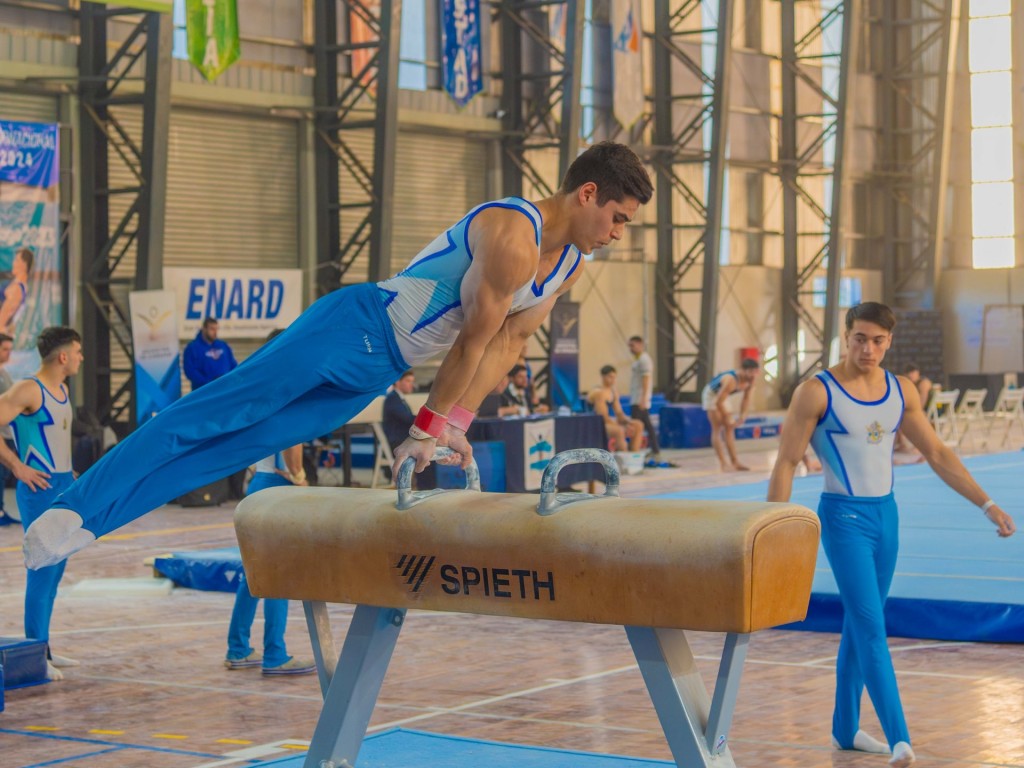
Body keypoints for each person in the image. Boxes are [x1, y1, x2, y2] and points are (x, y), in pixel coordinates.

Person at [24, 141, 653, 568]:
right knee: (207, 416)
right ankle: (72, 506)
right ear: (587, 194)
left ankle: (89, 526)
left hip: (375, 373)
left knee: (236, 448)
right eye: (619, 219)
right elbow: (472, 341)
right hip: (353, 329)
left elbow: (508, 346)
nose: (618, 235)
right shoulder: (513, 233)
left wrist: (452, 426)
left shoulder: (569, 262)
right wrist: (426, 429)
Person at [767, 302, 1015, 768]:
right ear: (845, 336)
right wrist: (768, 530)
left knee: (860, 626)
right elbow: (785, 461)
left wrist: (987, 503)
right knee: (872, 628)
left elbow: (938, 453)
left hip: (888, 518)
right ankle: (900, 738)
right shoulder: (816, 393)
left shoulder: (901, 391)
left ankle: (845, 729)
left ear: (889, 342)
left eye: (878, 341)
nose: (869, 348)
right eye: (860, 338)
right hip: (844, 521)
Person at [0, 327, 84, 680]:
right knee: (41, 573)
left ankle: (43, 647)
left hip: (63, 485)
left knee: (55, 573)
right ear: (63, 356)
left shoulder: (62, 390)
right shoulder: (27, 389)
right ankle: (35, 657)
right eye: (78, 352)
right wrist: (17, 466)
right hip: (39, 490)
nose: (81, 357)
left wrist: (71, 473)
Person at [225, 442, 315, 677]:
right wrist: (299, 477)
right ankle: (275, 654)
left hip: (258, 485)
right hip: (278, 488)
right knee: (279, 575)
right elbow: (292, 444)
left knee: (253, 575)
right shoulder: (293, 407)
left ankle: (238, 649)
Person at [702, 358, 761, 472]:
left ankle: (735, 462)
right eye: (751, 372)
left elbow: (746, 398)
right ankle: (723, 463)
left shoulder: (751, 380)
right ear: (743, 370)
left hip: (723, 397)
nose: (753, 375)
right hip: (712, 396)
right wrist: (728, 416)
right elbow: (718, 402)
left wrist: (743, 415)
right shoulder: (731, 380)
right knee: (717, 428)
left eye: (755, 372)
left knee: (729, 428)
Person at [382, 370, 435, 488]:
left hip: (401, 438)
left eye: (412, 381)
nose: (412, 384)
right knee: (425, 453)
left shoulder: (398, 398)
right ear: (397, 381)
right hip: (397, 442)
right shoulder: (392, 399)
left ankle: (425, 487)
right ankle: (425, 488)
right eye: (408, 381)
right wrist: (429, 418)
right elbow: (408, 419)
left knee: (428, 447)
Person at [627, 335, 671, 467]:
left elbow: (646, 380)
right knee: (646, 426)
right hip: (636, 398)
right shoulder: (638, 359)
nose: (630, 348)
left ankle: (641, 451)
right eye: (629, 346)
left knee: (640, 426)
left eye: (632, 345)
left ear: (640, 344)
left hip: (640, 399)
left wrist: (643, 398)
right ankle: (654, 450)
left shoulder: (644, 360)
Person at [589, 365, 644, 452]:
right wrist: (619, 425)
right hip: (596, 424)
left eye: (614, 377)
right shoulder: (598, 393)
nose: (613, 380)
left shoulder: (613, 392)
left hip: (610, 422)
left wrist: (629, 423)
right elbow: (603, 417)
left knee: (638, 425)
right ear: (603, 377)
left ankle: (634, 455)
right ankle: (624, 459)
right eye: (610, 377)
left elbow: (619, 413)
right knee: (619, 430)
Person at [182, 317, 238, 390]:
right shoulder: (192, 348)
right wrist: (208, 384)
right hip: (204, 393)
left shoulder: (223, 346)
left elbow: (233, 365)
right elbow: (190, 371)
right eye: (212, 329)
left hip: (225, 391)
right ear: (204, 329)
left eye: (216, 329)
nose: (215, 332)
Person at [0, 333, 18, 526]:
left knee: (3, 474)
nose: (8, 354)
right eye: (5, 349)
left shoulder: (4, 374)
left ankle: (2, 508)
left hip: (7, 433)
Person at [0, 248, 32, 337]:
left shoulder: (16, 289)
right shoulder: (16, 286)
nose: (13, 263)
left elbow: (1, 323)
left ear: (24, 265)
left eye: (17, 260)